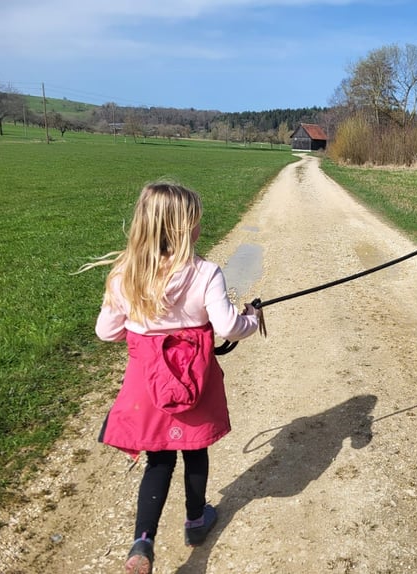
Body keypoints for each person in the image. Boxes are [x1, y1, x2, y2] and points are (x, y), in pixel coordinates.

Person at [81, 182, 265, 574]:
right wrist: (253, 317)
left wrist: (137, 327)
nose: (201, 227)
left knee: (158, 460)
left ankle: (142, 542)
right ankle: (196, 522)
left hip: (148, 387)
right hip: (194, 385)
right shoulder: (205, 273)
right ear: (184, 230)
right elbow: (229, 326)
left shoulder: (125, 274)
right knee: (195, 452)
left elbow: (105, 331)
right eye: (196, 221)